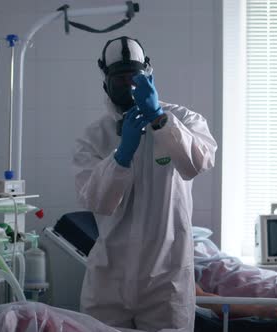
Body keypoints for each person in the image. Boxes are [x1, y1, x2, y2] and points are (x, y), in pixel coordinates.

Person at [73, 36, 217, 332]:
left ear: (149, 75)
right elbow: (96, 201)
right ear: (106, 81)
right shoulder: (94, 137)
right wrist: (121, 156)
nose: (128, 86)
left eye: (134, 78)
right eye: (120, 79)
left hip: (167, 280)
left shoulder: (184, 119)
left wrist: (161, 121)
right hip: (108, 281)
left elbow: (198, 163)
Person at [192, 227, 277, 320]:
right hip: (270, 291)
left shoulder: (196, 240)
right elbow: (200, 298)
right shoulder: (179, 261)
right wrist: (258, 310)